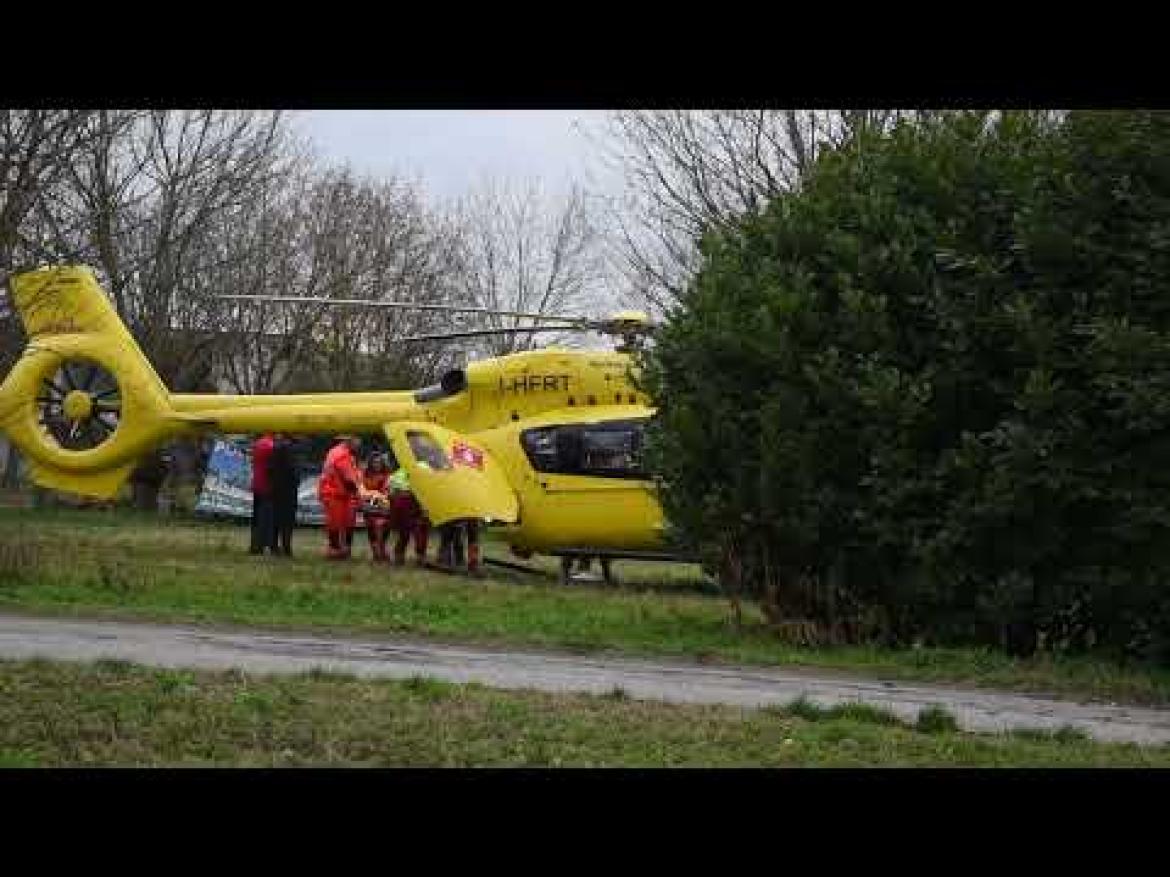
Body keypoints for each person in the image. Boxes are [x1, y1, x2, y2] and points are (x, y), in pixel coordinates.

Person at [318, 434, 363, 560]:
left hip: (338, 494)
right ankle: (336, 550)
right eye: (358, 441)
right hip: (336, 494)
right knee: (337, 524)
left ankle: (339, 549)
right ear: (350, 441)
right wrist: (361, 492)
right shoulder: (342, 455)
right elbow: (349, 479)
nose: (360, 444)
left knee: (341, 523)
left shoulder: (338, 452)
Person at [388, 461, 429, 566]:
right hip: (405, 504)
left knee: (419, 532)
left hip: (416, 502)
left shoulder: (423, 467)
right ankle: (401, 556)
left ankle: (419, 557)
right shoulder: (397, 474)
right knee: (406, 533)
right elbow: (392, 492)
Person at [269, 433, 300, 557]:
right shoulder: (289, 450)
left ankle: (274, 546)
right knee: (287, 521)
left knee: (276, 520)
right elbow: (293, 470)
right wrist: (297, 480)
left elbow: (270, 470)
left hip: (276, 488)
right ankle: (286, 547)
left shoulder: (275, 449)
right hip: (288, 491)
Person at [361, 451, 392, 562]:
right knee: (371, 529)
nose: (377, 464)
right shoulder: (365, 474)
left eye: (379, 462)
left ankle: (382, 548)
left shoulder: (386, 475)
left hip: (383, 506)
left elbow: (386, 490)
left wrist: (379, 497)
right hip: (369, 506)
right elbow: (362, 490)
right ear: (370, 463)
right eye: (374, 462)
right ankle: (376, 551)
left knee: (384, 527)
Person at [248, 431, 276, 555]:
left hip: (257, 485)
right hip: (267, 487)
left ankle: (254, 545)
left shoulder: (258, 444)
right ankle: (264, 546)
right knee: (266, 519)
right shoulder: (271, 445)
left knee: (256, 518)